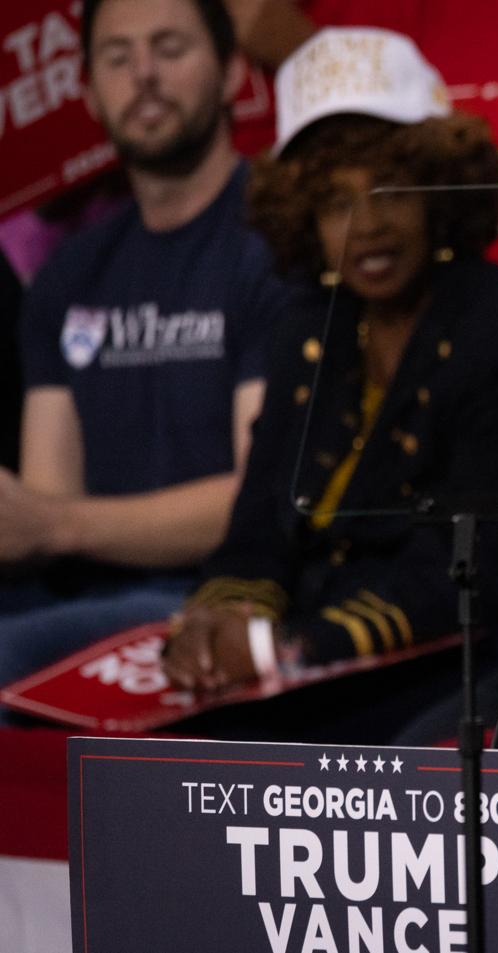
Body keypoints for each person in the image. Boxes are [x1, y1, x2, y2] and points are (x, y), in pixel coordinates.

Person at [160, 28, 498, 699]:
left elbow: (463, 565)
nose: (367, 227)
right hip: (290, 656)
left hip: (429, 669)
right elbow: (256, 527)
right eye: (337, 202)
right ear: (304, 214)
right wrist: (224, 616)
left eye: (391, 191)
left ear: (439, 191)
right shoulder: (308, 325)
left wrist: (294, 648)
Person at [0, 0, 288, 685]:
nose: (145, 76)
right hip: (79, 599)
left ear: (230, 73)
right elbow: (48, 499)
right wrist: (40, 523)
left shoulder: (277, 243)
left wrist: (58, 525)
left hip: (224, 597)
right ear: (91, 93)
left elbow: (260, 501)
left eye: (169, 48)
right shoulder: (67, 275)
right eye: (119, 58)